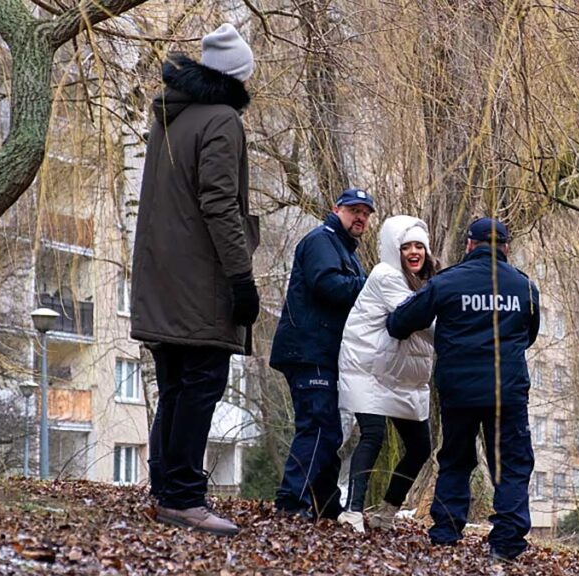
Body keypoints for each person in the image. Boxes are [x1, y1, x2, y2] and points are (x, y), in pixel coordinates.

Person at [129, 23, 259, 537]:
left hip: (162, 277)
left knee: (176, 385)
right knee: (201, 384)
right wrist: (241, 278)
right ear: (235, 77)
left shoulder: (169, 117)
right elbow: (219, 203)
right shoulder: (221, 119)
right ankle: (183, 498)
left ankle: (166, 489)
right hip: (199, 281)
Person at [387, 217, 540, 561]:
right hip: (507, 391)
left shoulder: (447, 282)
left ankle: (445, 535)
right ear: (505, 247)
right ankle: (507, 543)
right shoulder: (525, 288)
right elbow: (528, 335)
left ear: (469, 245)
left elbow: (401, 323)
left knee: (455, 459)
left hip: (459, 390)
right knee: (512, 464)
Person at [271, 188, 375, 519]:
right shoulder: (322, 241)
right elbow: (328, 286)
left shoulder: (345, 249)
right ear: (337, 210)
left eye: (366, 213)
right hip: (308, 350)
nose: (360, 217)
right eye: (353, 210)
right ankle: (291, 502)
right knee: (317, 425)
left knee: (328, 429)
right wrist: (375, 287)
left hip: (323, 352)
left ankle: (325, 503)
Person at [336, 216, 438, 533]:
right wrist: (459, 334)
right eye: (406, 246)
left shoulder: (426, 282)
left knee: (420, 446)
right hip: (368, 369)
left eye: (419, 246)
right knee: (373, 434)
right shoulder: (386, 276)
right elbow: (416, 319)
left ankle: (387, 512)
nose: (413, 252)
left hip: (399, 378)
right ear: (395, 250)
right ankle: (352, 511)